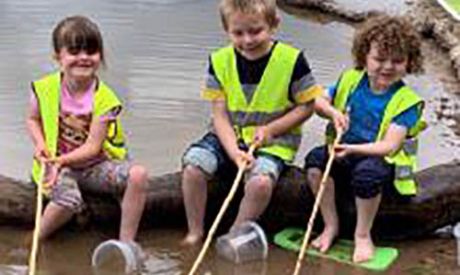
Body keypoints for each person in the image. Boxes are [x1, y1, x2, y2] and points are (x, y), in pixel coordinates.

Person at [180, 0, 324, 246]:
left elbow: (307, 106)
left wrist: (272, 129)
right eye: (238, 33)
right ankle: (195, 231)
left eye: (256, 31)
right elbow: (220, 114)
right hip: (226, 137)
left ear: (273, 25)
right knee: (193, 167)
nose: (247, 40)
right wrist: (234, 152)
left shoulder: (292, 60)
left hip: (274, 142)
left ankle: (235, 233)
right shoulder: (219, 60)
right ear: (227, 30)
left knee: (260, 182)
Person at [305, 14, 426, 263]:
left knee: (367, 176)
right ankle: (331, 225)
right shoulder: (350, 80)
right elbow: (318, 102)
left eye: (398, 61)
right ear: (364, 57)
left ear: (410, 62)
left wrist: (351, 149)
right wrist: (332, 112)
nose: (387, 67)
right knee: (315, 162)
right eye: (379, 59)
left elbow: (389, 146)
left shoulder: (407, 101)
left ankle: (362, 234)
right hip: (344, 150)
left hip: (381, 159)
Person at [26, 15, 148, 244]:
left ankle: (126, 243)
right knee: (69, 201)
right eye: (74, 51)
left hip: (94, 166)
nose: (83, 57)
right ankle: (33, 241)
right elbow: (32, 119)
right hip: (55, 166)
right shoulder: (43, 88)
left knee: (139, 175)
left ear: (100, 56)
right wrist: (41, 145)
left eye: (91, 51)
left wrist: (63, 160)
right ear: (58, 57)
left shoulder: (105, 99)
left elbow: (93, 147)